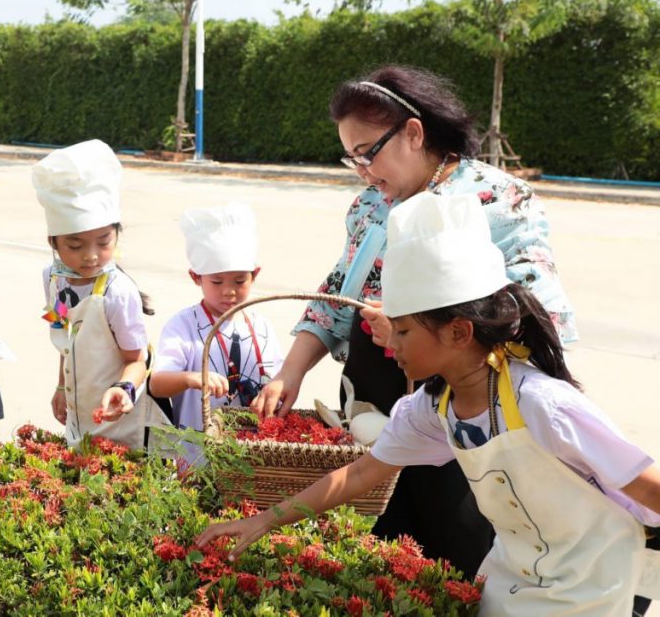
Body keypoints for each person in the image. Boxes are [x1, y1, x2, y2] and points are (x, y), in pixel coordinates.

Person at [196, 192, 660, 616]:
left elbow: (646, 484)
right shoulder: (433, 407)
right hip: (515, 576)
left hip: (591, 586)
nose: (390, 344)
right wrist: (266, 519)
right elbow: (359, 474)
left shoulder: (542, 403)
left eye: (402, 330)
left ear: (459, 333)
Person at [251, 65, 577, 576]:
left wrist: (420, 325)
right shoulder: (369, 206)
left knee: (456, 543)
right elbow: (337, 292)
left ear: (413, 133)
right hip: (372, 391)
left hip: (463, 399)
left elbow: (536, 312)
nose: (361, 170)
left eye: (367, 153)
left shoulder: (499, 199)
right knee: (375, 538)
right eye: (351, 157)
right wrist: (289, 372)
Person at [32, 139, 171, 450]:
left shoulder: (118, 292)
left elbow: (137, 360)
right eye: (76, 245)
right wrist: (60, 385)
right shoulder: (53, 279)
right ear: (53, 241)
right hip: (79, 416)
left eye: (104, 241)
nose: (91, 256)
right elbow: (65, 339)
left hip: (121, 418)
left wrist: (125, 389)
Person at [150, 202, 284, 432]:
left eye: (240, 281)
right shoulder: (183, 326)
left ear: (255, 275)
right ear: (195, 277)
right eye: (217, 281)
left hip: (257, 455)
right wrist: (191, 378)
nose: (229, 291)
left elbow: (281, 379)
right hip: (198, 453)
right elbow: (157, 384)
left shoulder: (262, 327)